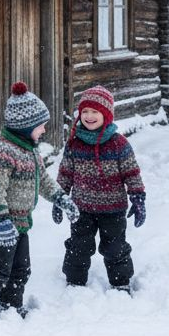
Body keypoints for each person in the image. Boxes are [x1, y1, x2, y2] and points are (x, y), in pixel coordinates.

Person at [0, 81, 79, 318]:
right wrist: (1, 221)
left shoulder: (29, 149)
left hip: (18, 223)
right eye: (41, 126)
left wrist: (61, 198)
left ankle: (10, 306)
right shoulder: (3, 152)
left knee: (20, 269)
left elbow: (44, 181)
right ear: (25, 126)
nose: (43, 130)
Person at [54, 85, 146, 293]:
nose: (89, 116)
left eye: (94, 111)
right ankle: (75, 283)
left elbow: (132, 173)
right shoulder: (74, 143)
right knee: (79, 246)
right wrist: (60, 198)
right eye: (85, 111)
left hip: (113, 209)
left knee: (115, 248)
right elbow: (66, 172)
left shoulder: (119, 144)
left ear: (105, 114)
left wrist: (138, 197)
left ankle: (121, 282)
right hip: (81, 208)